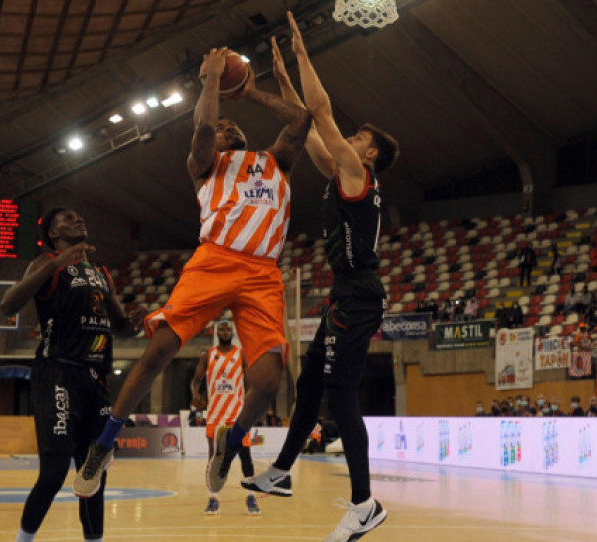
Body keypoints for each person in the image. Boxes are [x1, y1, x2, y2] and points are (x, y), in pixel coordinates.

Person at [73, 47, 312, 498]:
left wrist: (250, 91)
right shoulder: (204, 166)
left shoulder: (274, 160)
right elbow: (203, 126)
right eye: (222, 127)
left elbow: (301, 121)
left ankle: (230, 441)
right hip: (215, 259)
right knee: (160, 350)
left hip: (263, 272)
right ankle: (103, 445)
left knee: (267, 382)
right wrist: (211, 83)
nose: (227, 126)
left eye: (231, 123)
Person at [240, 15, 397, 541]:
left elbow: (323, 112)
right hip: (344, 295)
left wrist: (305, 53)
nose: (348, 139)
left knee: (341, 394)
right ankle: (282, 471)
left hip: (359, 294)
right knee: (309, 381)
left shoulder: (357, 174)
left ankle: (363, 504)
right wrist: (284, 79)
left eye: (357, 138)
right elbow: (310, 125)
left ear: (368, 154)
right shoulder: (340, 174)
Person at [0, 208, 145, 542]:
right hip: (58, 373)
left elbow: (120, 326)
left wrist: (134, 324)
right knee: (53, 474)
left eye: (79, 216)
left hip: (95, 377)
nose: (78, 219)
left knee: (93, 475)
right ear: (53, 234)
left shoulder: (100, 271)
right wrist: (56, 262)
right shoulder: (45, 262)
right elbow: (8, 305)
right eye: (66, 218)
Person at [189, 321, 260, 515]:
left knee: (246, 456)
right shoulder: (208, 356)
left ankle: (251, 497)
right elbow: (195, 381)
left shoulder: (241, 354)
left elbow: (250, 384)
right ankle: (213, 499)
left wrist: (249, 403)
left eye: (229, 329)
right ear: (216, 332)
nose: (225, 331)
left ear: (233, 333)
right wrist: (195, 393)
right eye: (222, 328)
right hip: (215, 414)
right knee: (213, 457)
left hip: (237, 415)